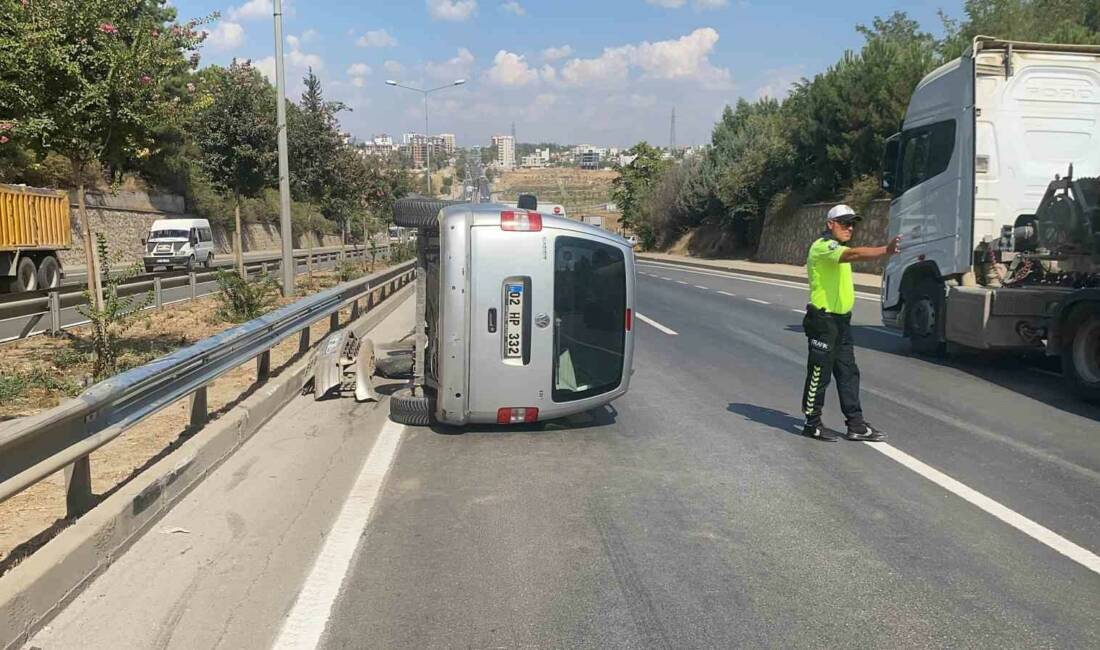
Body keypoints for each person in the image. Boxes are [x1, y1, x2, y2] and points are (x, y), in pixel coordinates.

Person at [801, 204, 900, 442]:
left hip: (842, 322)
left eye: (852, 223)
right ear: (830, 225)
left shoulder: (838, 248)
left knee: (848, 373)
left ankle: (855, 425)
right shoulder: (823, 247)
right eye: (844, 223)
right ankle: (812, 423)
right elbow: (853, 255)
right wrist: (885, 249)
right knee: (819, 373)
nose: (850, 228)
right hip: (823, 320)